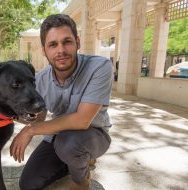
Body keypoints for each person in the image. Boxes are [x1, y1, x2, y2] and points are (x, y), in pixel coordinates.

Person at [10, 14, 113, 190]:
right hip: (58, 137)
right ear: (44, 50)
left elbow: (82, 120)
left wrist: (30, 131)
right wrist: (9, 113)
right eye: (53, 44)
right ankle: (77, 160)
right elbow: (38, 118)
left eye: (67, 42)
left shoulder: (100, 67)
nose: (61, 50)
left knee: (69, 144)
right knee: (28, 184)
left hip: (94, 134)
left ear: (77, 42)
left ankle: (81, 179)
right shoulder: (41, 79)